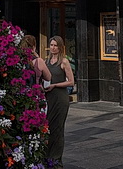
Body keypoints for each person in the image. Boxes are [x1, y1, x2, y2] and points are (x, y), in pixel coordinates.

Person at [44, 36, 75, 167]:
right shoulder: (46, 61)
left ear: (60, 47)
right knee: (48, 128)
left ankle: (56, 160)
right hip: (48, 97)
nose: (53, 48)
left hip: (60, 98)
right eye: (51, 45)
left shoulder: (64, 61)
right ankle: (47, 157)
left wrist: (56, 85)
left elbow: (71, 82)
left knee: (57, 128)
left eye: (56, 45)